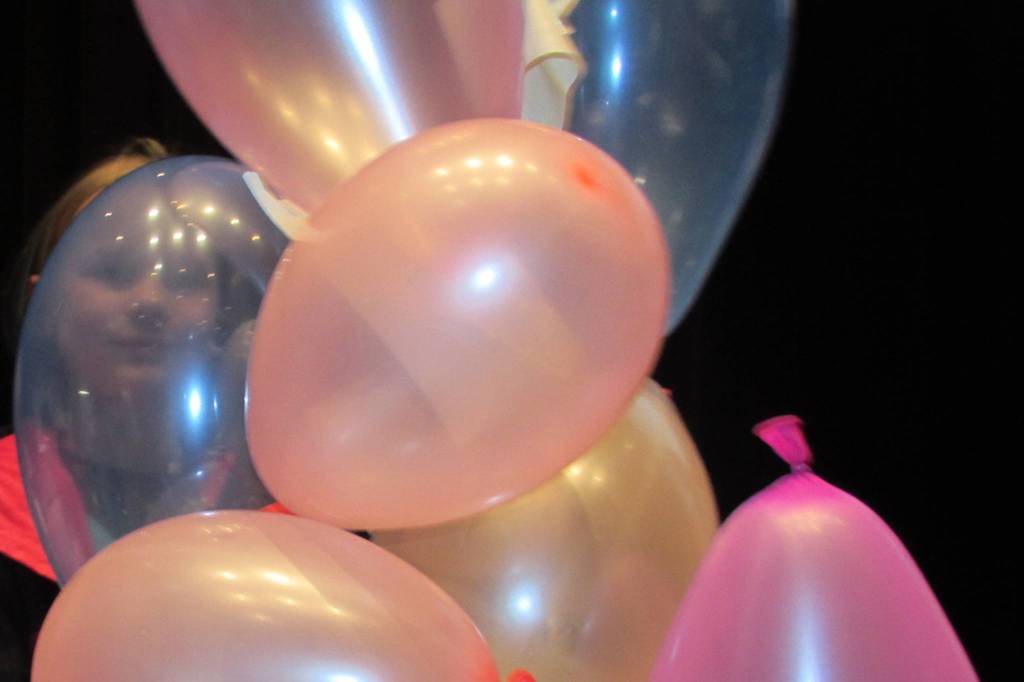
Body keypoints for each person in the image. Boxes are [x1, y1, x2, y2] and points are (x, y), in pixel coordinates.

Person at [0, 139, 170, 680]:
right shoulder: (5, 502)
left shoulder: (295, 516)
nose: (151, 299)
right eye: (117, 272)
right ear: (42, 304)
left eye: (186, 278)